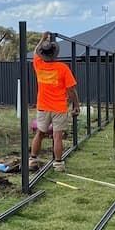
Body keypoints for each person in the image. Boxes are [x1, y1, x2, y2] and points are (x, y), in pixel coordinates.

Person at [30, 32, 80, 172]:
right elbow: (71, 90)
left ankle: (32, 159)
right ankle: (58, 164)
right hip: (59, 107)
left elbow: (35, 52)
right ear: (55, 54)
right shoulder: (63, 68)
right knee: (57, 136)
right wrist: (76, 105)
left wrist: (42, 38)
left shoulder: (38, 64)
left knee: (40, 133)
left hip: (43, 106)